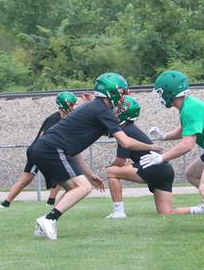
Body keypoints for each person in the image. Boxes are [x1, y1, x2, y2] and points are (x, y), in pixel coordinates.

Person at [30, 73, 159, 240]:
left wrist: (90, 174)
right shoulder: (101, 110)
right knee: (83, 187)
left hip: (45, 148)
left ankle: (46, 223)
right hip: (50, 148)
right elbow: (125, 142)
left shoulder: (95, 107)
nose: (122, 99)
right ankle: (49, 219)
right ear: (113, 91)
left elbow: (74, 150)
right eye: (122, 93)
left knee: (73, 188)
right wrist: (151, 147)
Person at [139, 70, 204, 231]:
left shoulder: (190, 108)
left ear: (170, 91)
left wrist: (162, 158)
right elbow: (186, 129)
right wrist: (164, 136)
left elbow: (187, 145)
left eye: (161, 92)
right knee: (192, 174)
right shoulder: (188, 106)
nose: (159, 97)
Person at [104, 96, 204, 218]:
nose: (112, 113)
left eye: (115, 110)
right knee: (166, 213)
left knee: (112, 172)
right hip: (165, 170)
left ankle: (119, 212)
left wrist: (110, 166)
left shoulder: (125, 131)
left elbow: (120, 162)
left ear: (123, 113)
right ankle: (201, 210)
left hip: (154, 168)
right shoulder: (129, 129)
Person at [0, 91, 82, 209]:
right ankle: (5, 203)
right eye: (71, 105)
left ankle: (51, 202)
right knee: (26, 180)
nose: (74, 107)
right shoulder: (54, 119)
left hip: (47, 152)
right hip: (39, 152)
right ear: (64, 104)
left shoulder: (67, 119)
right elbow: (42, 138)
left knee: (60, 175)